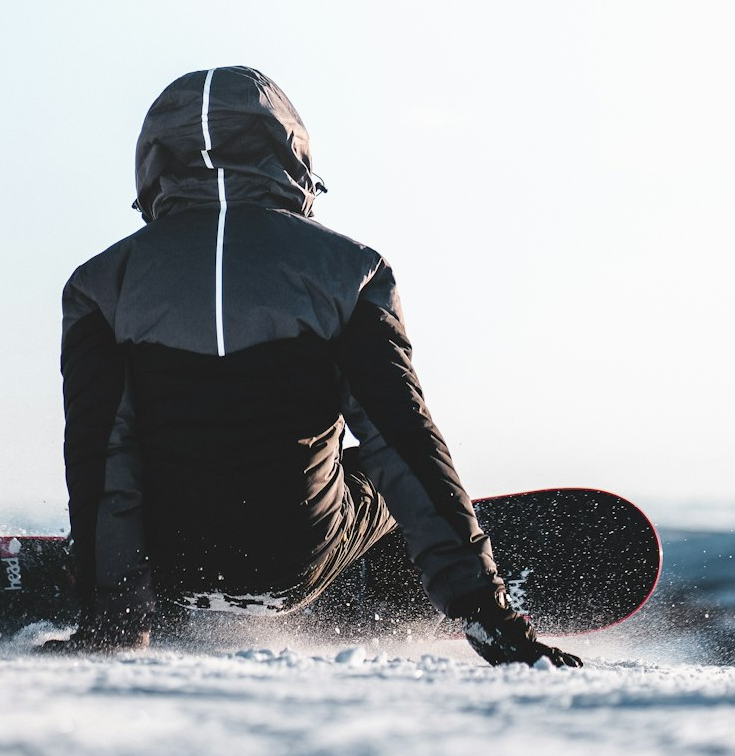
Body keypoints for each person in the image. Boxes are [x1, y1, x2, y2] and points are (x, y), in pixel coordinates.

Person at [58, 66, 581, 668]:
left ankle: (111, 581)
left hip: (173, 563)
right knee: (379, 470)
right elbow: (401, 442)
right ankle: (394, 574)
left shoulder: (100, 285)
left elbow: (103, 457)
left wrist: (113, 627)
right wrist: (488, 615)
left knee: (120, 465)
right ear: (291, 156)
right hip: (299, 556)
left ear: (153, 163)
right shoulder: (351, 271)